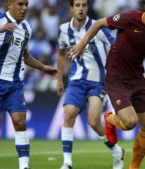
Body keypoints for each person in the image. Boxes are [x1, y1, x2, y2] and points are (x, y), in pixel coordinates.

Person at [69, 0, 145, 168]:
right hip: (116, 77)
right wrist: (82, 44)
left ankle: (133, 167)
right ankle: (109, 119)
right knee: (129, 123)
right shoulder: (130, 18)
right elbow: (98, 23)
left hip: (138, 78)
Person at [0, 0, 58, 169]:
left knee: (20, 122)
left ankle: (24, 166)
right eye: (20, 4)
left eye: (26, 5)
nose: (24, 8)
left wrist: (44, 67)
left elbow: (25, 56)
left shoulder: (27, 28)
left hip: (15, 83)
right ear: (10, 4)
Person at [56, 0, 124, 169]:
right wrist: (58, 78)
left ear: (87, 8)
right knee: (69, 114)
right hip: (76, 81)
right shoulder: (63, 30)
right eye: (77, 5)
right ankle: (67, 163)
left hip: (98, 82)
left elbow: (116, 48)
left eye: (84, 5)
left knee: (93, 122)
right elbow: (61, 52)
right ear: (71, 8)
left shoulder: (98, 27)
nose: (81, 8)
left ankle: (115, 150)